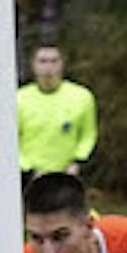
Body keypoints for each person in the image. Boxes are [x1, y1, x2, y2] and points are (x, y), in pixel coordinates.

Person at [17, 45, 98, 187]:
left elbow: (88, 134)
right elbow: (11, 140)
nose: (48, 67)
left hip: (69, 175)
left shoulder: (82, 96)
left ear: (62, 64)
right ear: (33, 65)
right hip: (29, 178)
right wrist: (28, 169)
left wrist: (77, 162)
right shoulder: (18, 99)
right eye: (42, 61)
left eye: (54, 61)